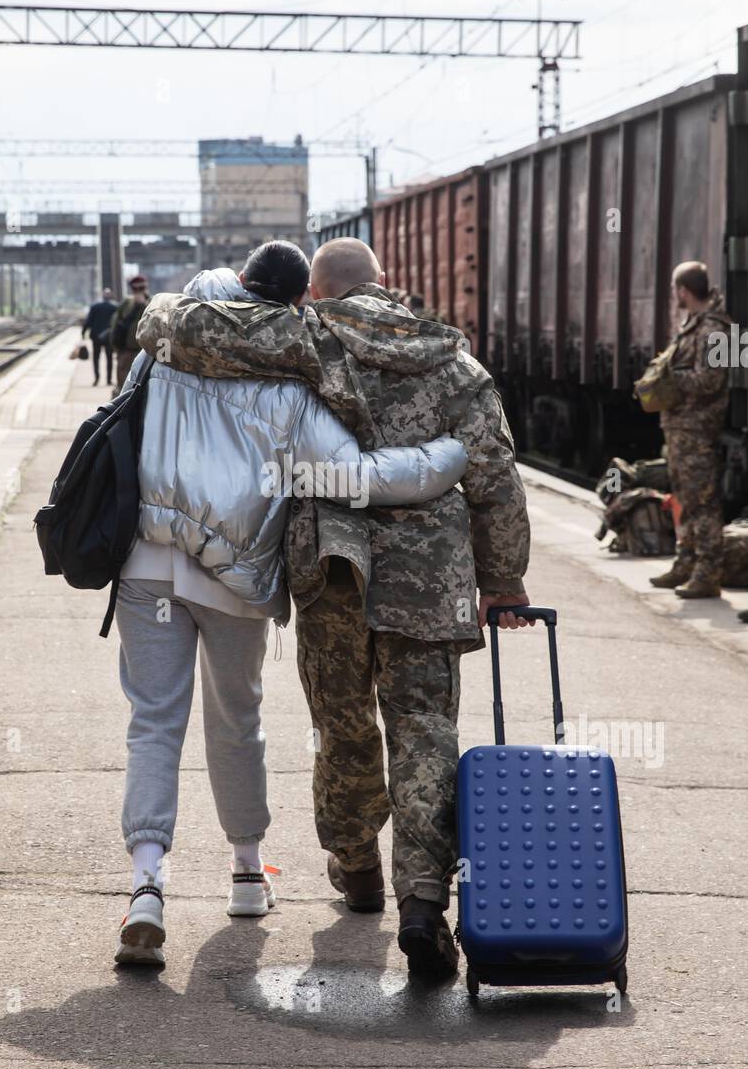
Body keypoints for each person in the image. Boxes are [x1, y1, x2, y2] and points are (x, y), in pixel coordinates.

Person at [138, 236, 531, 979]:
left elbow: (188, 331)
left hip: (335, 565)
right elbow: (496, 479)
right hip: (432, 575)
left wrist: (158, 306)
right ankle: (423, 901)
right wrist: (503, 582)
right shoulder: (454, 362)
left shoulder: (310, 336)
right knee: (424, 728)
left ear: (316, 293)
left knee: (343, 722)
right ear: (386, 286)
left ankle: (356, 870)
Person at [649, 261, 730, 599]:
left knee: (703, 503)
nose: (674, 294)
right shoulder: (694, 325)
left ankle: (708, 571)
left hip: (698, 430)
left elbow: (711, 380)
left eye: (674, 288)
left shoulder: (715, 330)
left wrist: (668, 378)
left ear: (683, 291)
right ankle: (687, 562)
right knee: (685, 499)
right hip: (682, 428)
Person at [110, 275, 150, 394]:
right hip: (126, 351)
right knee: (123, 385)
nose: (138, 292)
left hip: (145, 352)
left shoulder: (152, 302)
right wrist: (116, 348)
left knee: (143, 386)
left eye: (141, 288)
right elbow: (115, 325)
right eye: (136, 289)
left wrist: (143, 305)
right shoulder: (127, 303)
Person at [81, 288, 117, 386]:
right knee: (109, 358)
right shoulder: (114, 307)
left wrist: (83, 332)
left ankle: (97, 378)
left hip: (96, 336)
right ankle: (108, 380)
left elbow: (88, 321)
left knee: (96, 358)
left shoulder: (95, 306)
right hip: (108, 336)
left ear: (102, 295)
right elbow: (117, 322)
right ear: (110, 296)